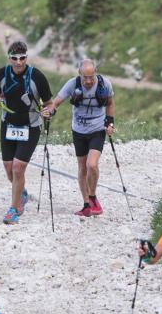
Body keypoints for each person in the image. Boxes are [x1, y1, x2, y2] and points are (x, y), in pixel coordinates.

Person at [0, 41, 54, 224]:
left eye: (22, 58)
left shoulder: (37, 76)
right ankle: (21, 193)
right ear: (9, 58)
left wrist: (48, 111)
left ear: (26, 57)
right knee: (8, 169)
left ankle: (13, 209)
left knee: (17, 168)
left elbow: (49, 103)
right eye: (15, 58)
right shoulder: (1, 75)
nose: (19, 62)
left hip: (31, 126)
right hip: (8, 125)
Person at [43, 59, 114, 216]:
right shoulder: (72, 84)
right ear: (79, 74)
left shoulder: (105, 84)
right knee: (82, 168)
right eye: (85, 78)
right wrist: (50, 112)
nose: (88, 81)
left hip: (97, 130)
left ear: (95, 72)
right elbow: (56, 102)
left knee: (92, 165)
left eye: (91, 77)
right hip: (79, 131)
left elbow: (110, 102)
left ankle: (93, 196)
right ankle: (86, 204)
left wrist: (110, 123)